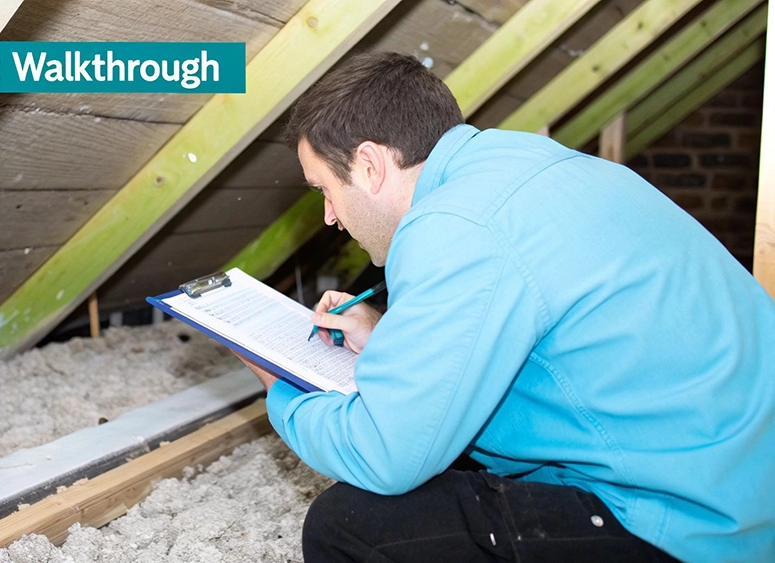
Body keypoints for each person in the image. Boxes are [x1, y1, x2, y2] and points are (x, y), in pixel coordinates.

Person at [235, 51, 775, 562]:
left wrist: (281, 387)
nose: (330, 215)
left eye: (324, 189)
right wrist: (386, 338)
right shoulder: (518, 162)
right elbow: (525, 328)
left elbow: (385, 455)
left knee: (350, 524)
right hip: (740, 473)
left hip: (694, 524)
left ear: (370, 165)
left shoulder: (454, 226)